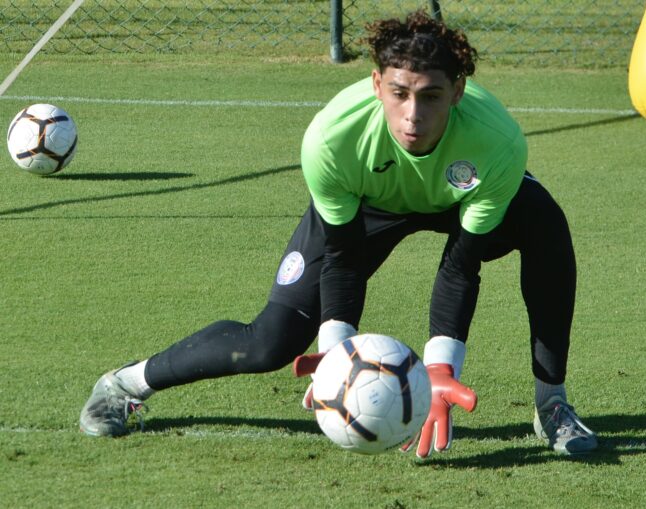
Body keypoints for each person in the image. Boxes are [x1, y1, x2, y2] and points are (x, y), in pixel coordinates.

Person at [79, 10, 597, 457]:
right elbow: (343, 258)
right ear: (377, 86)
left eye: (432, 96)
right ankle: (125, 383)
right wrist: (335, 350)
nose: (412, 115)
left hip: (458, 197)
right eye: (399, 94)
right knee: (269, 344)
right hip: (368, 202)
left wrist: (439, 368)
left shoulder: (497, 142)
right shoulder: (332, 140)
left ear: (458, 91)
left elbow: (461, 265)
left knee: (546, 226)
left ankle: (552, 405)